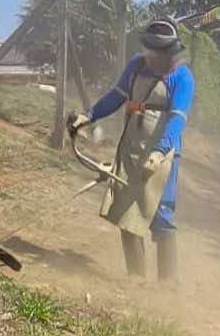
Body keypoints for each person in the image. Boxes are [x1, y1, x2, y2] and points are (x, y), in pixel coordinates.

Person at [69, 20, 194, 283]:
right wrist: (89, 116)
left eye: (161, 54)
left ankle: (168, 284)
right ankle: (136, 278)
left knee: (161, 213)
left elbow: (177, 119)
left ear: (171, 52)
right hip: (132, 147)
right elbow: (116, 97)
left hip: (163, 155)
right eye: (151, 52)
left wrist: (159, 153)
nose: (154, 59)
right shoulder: (136, 66)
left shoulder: (182, 77)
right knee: (126, 210)